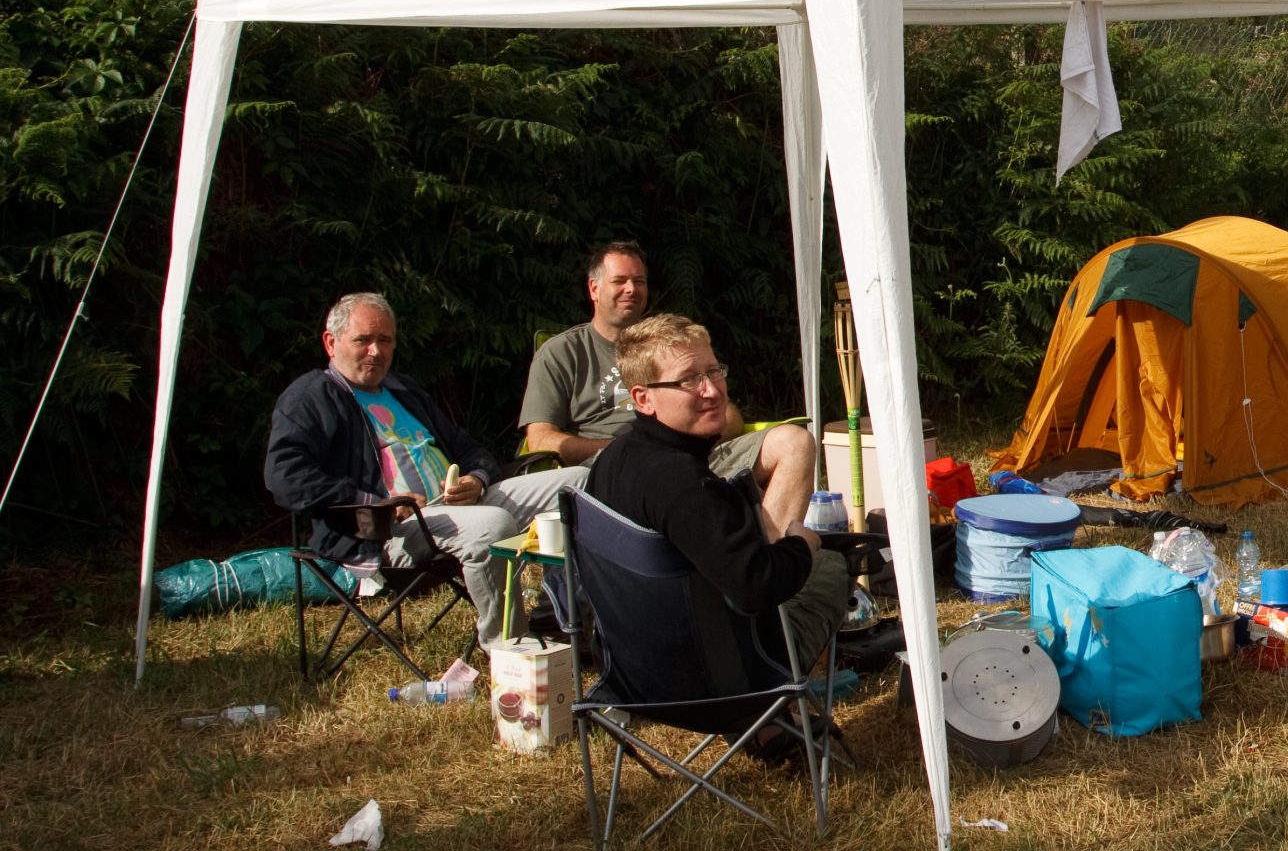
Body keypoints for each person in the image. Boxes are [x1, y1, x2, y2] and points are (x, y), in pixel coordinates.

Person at [267, 292, 584, 654]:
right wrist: (376, 503)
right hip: (386, 528)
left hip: (457, 505)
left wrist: (476, 479)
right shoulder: (312, 397)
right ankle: (510, 649)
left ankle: (560, 617)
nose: (375, 351)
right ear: (331, 342)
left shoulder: (403, 391)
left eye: (384, 340)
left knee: (578, 482)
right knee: (493, 524)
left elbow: (469, 449)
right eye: (363, 340)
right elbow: (285, 477)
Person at [582, 312, 850, 674]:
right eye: (688, 380)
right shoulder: (680, 483)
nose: (711, 390)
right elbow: (757, 588)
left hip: (629, 670)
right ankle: (778, 704)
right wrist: (801, 543)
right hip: (717, 677)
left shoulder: (611, 460)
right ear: (643, 399)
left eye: (713, 371)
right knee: (829, 565)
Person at [519, 241, 815, 535]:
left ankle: (774, 552)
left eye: (639, 281)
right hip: (617, 472)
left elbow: (728, 415)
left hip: (695, 455)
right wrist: (619, 450)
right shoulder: (563, 353)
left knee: (795, 443)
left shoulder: (670, 345)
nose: (631, 289)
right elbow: (541, 439)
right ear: (594, 289)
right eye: (620, 281)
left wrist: (697, 435)